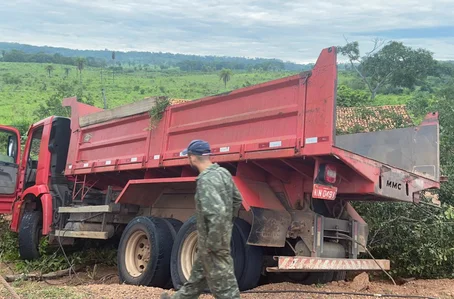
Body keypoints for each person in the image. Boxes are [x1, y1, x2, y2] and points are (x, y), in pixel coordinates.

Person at [161, 139, 242, 299]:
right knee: (195, 281)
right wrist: (226, 226)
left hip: (213, 245)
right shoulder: (223, 173)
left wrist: (213, 243)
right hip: (214, 242)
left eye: (188, 156)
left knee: (226, 290)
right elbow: (237, 200)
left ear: (193, 157)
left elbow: (217, 213)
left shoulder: (206, 180)